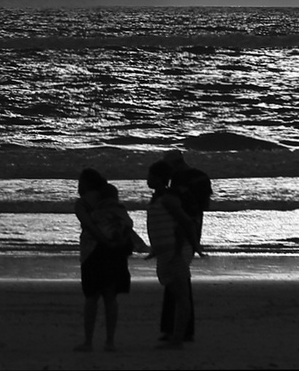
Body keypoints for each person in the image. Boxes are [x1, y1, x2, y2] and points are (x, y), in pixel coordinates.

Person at [75, 168, 148, 352]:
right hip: (115, 250)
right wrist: (122, 242)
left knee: (91, 297)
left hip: (94, 251)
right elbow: (124, 223)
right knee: (110, 297)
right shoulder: (111, 198)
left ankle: (88, 341)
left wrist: (104, 240)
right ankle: (109, 341)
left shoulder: (82, 203)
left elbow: (89, 226)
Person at [159, 150, 211, 341]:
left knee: (176, 277)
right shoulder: (202, 177)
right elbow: (206, 205)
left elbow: (176, 207)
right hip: (195, 226)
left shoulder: (179, 179)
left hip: (180, 228)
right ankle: (178, 328)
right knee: (180, 275)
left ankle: (177, 328)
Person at [145, 160, 195, 349]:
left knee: (181, 296)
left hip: (175, 251)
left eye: (150, 174)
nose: (147, 178)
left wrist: (186, 247)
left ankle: (177, 340)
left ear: (158, 177)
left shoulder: (168, 198)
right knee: (177, 294)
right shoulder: (158, 198)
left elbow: (184, 223)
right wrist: (155, 250)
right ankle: (176, 337)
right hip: (165, 252)